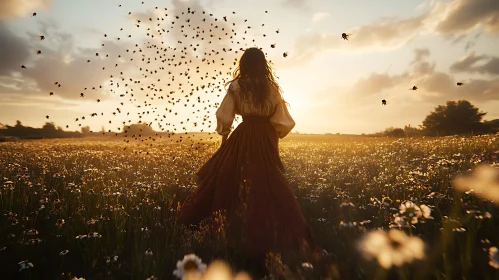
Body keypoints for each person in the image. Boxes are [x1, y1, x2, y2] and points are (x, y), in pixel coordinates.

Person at [180, 47, 318, 275]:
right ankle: (281, 236)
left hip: (243, 136)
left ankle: (227, 229)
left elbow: (225, 114)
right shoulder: (270, 87)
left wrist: (224, 141)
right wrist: (272, 138)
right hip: (265, 137)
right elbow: (282, 120)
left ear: (243, 64)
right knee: (269, 182)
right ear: (263, 64)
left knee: (230, 178)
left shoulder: (237, 86)